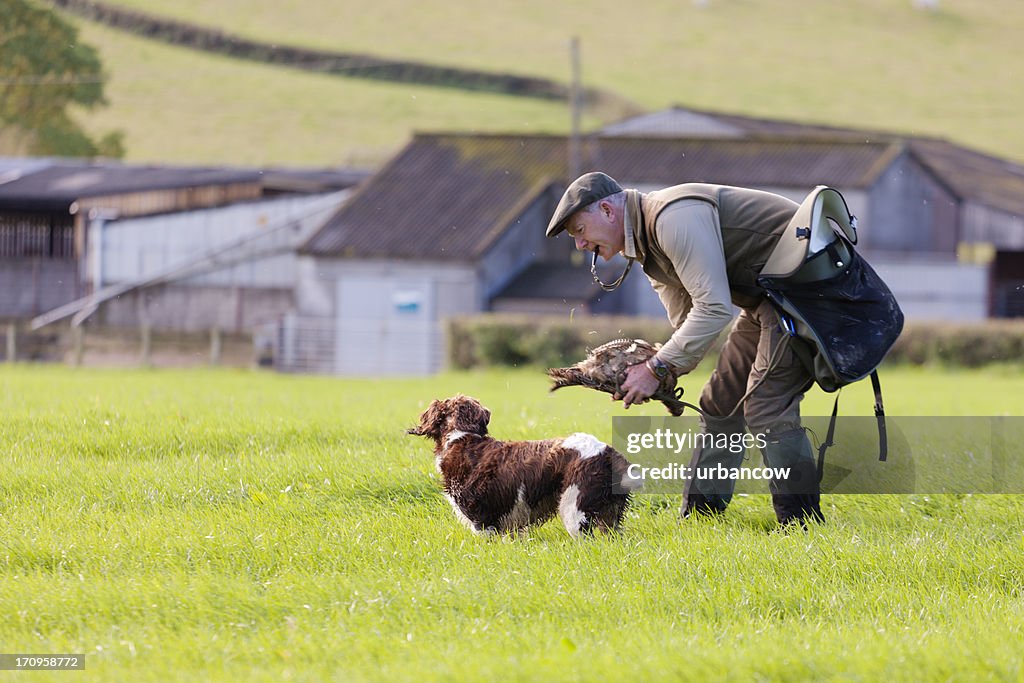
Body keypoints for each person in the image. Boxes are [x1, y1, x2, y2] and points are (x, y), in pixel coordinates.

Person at [546, 172, 824, 527]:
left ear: (606, 210)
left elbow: (714, 309)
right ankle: (700, 517)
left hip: (807, 293)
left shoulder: (671, 218)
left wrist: (655, 369)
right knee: (720, 403)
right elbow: (689, 327)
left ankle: (802, 525)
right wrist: (655, 374)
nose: (580, 246)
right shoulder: (648, 250)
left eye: (579, 231)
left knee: (765, 406)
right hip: (769, 301)